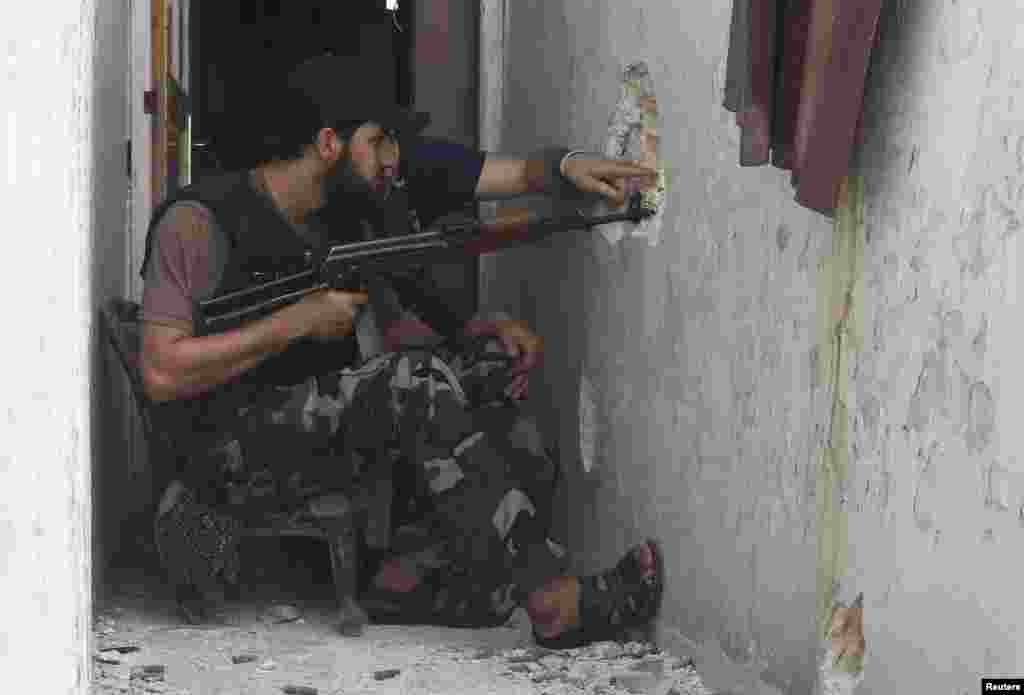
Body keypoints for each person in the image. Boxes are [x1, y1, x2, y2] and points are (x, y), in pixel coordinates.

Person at [139, 53, 664, 648]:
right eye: (380, 140)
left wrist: (475, 329)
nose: (394, 158)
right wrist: (292, 323)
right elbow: (159, 370)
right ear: (330, 142)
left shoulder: (340, 214)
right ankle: (551, 598)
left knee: (480, 370)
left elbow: (506, 177)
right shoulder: (199, 222)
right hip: (223, 454)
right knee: (414, 382)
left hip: (304, 433)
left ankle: (408, 576)